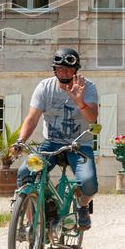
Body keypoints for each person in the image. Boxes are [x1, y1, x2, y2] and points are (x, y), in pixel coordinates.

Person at [12, 47, 99, 229]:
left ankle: (82, 206)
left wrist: (79, 101)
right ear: (54, 70)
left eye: (68, 69)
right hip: (51, 144)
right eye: (60, 69)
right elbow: (32, 118)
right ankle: (31, 223)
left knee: (89, 183)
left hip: (79, 144)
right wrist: (20, 141)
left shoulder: (88, 87)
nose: (64, 72)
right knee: (24, 174)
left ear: (76, 70)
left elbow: (92, 118)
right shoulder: (45, 87)